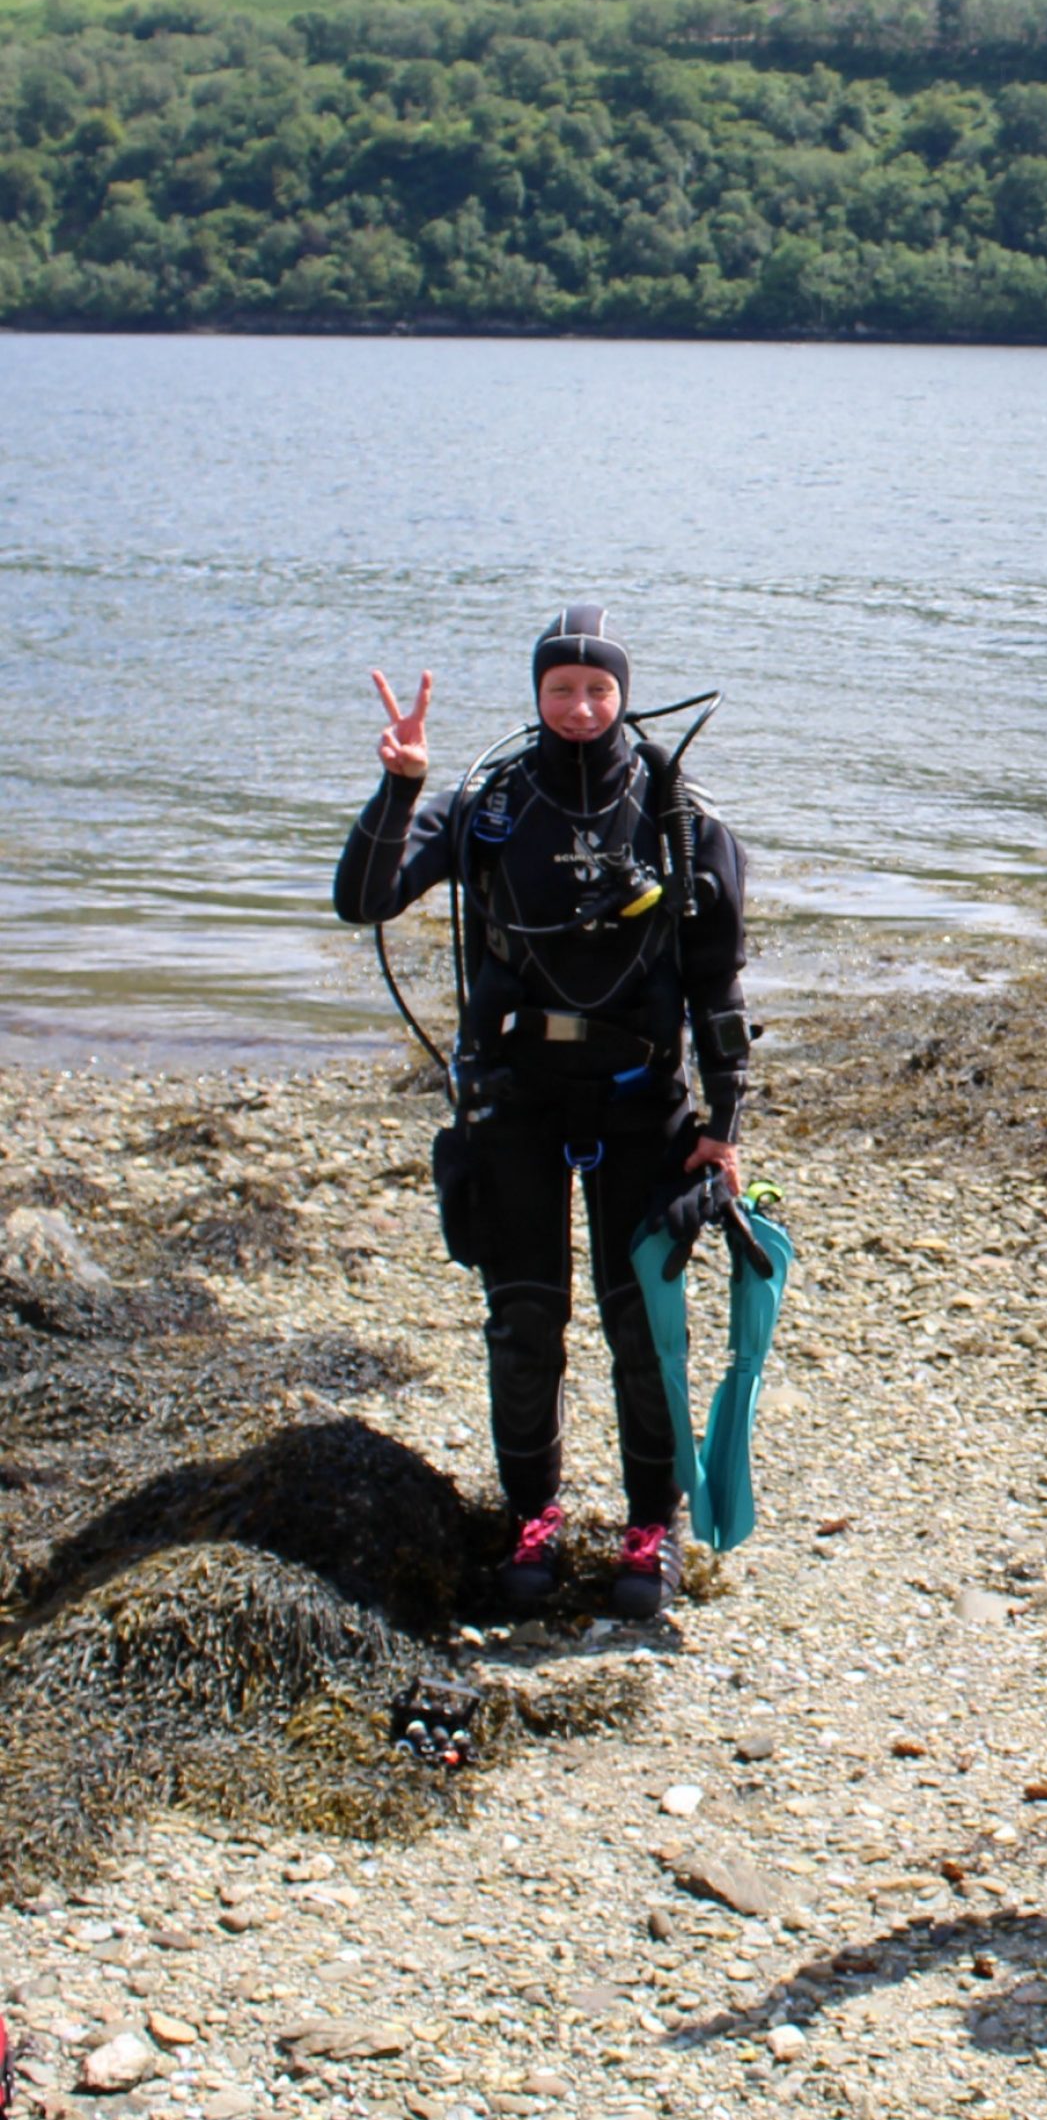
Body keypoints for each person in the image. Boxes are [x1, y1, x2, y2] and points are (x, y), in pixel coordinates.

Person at [335, 604, 752, 1621]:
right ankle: (535, 1515)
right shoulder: (489, 804)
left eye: (597, 689)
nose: (579, 707)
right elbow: (364, 897)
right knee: (523, 1324)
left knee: (640, 1327)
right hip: (513, 1099)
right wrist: (401, 788)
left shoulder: (676, 815)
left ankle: (649, 1526)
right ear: (536, 695)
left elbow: (718, 980)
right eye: (560, 690)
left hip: (638, 1101)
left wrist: (725, 1124)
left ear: (622, 692)